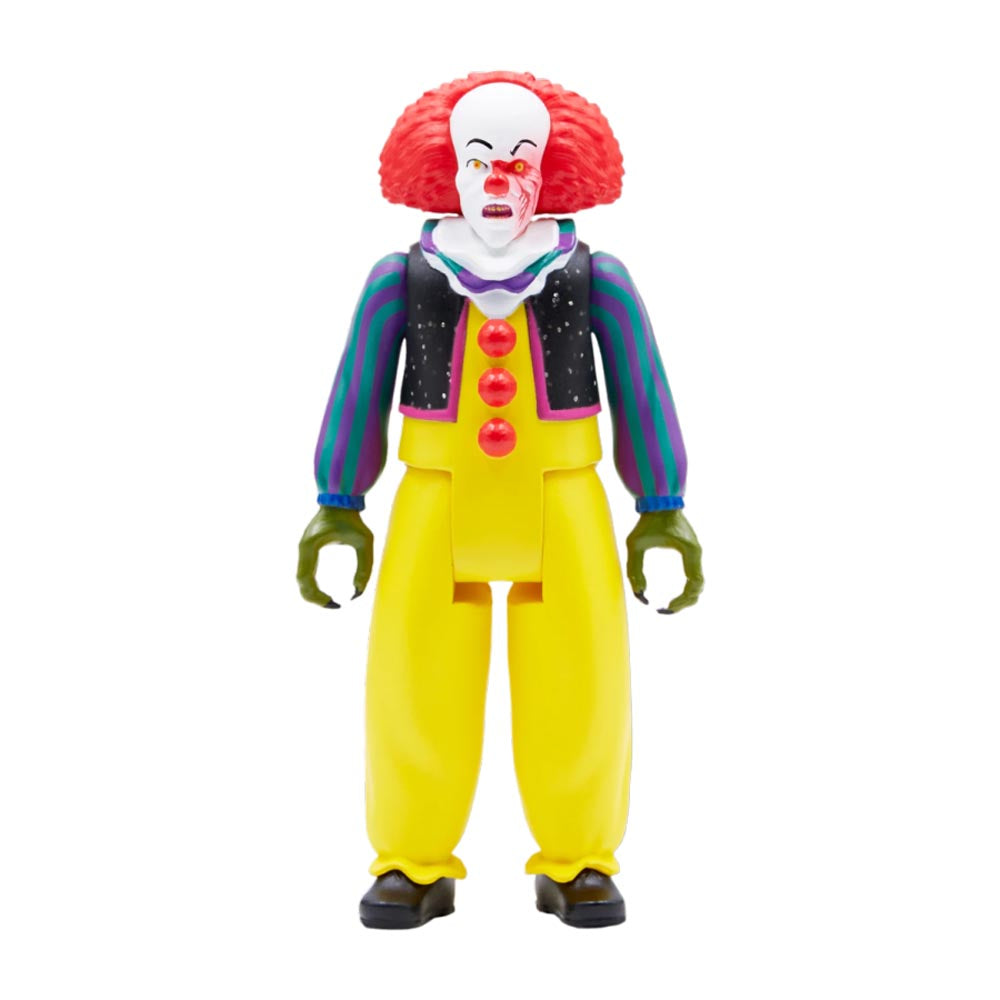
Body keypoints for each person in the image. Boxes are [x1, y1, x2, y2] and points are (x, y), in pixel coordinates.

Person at [297, 71, 704, 929]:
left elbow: (642, 384)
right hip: (434, 495)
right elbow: (358, 385)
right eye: (478, 158)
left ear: (550, 171)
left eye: (518, 158)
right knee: (414, 674)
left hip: (564, 498)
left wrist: (661, 502)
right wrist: (340, 498)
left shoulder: (595, 277)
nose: (497, 179)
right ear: (447, 168)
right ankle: (412, 860)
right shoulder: (402, 278)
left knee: (582, 675)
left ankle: (577, 859)